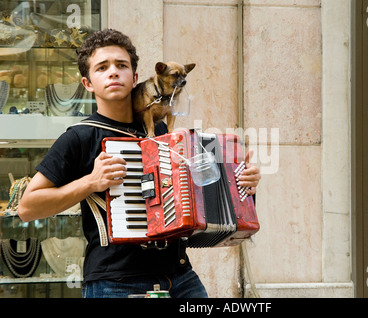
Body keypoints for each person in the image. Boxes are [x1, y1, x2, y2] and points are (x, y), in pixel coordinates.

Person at [17, 29, 261, 298]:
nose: (113, 72)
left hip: (179, 277)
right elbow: (28, 207)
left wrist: (240, 182)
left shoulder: (160, 131)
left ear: (135, 78)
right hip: (116, 281)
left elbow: (196, 195)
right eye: (102, 67)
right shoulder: (80, 137)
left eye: (121, 65)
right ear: (87, 83)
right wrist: (90, 181)